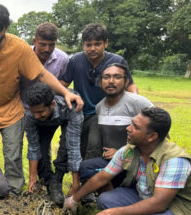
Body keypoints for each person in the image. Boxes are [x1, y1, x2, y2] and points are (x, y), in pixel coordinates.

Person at [0, 3, 83, 195]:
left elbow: (41, 74)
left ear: (6, 27)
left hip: (11, 109)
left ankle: (13, 192)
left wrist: (65, 92)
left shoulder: (19, 47)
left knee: (13, 154)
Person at [64, 107, 191, 215]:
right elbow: (102, 177)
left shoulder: (174, 160)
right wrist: (74, 199)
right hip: (146, 196)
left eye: (135, 127)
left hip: (177, 207)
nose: (128, 128)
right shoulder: (130, 149)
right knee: (106, 200)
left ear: (152, 136)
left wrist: (113, 213)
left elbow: (159, 203)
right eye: (131, 123)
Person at [60, 23, 139, 159]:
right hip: (80, 111)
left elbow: (130, 85)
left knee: (94, 145)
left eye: (97, 44)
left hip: (104, 112)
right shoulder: (76, 60)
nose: (92, 48)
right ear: (83, 45)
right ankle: (73, 175)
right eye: (88, 44)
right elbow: (63, 84)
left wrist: (135, 104)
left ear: (105, 43)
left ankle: (90, 177)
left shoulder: (117, 61)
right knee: (72, 145)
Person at [78, 63, 153, 195]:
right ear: (100, 82)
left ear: (126, 81)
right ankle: (112, 193)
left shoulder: (139, 103)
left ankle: (125, 194)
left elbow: (159, 137)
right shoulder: (99, 107)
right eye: (106, 77)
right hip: (114, 163)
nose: (111, 81)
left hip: (138, 161)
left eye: (117, 77)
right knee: (85, 167)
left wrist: (123, 153)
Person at [20, 22, 70, 191]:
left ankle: (52, 182)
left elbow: (64, 83)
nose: (47, 49)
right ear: (34, 41)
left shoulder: (63, 59)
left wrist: (46, 99)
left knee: (46, 143)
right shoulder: (23, 54)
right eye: (42, 44)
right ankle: (44, 180)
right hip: (26, 110)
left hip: (50, 110)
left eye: (51, 44)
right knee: (37, 146)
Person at [25, 83, 83, 206]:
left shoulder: (71, 105)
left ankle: (57, 179)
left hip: (65, 117)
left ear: (52, 104)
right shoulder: (31, 114)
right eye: (33, 112)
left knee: (67, 146)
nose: (36, 115)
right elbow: (33, 147)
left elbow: (74, 146)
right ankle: (48, 182)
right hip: (43, 124)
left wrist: (75, 182)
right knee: (41, 150)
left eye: (40, 111)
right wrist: (32, 179)